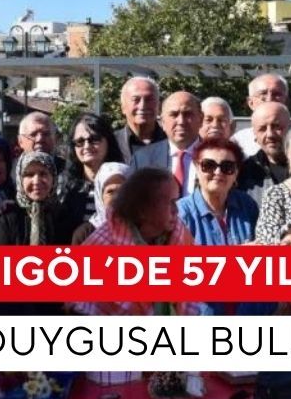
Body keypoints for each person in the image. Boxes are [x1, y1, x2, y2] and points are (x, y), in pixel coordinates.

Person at [71, 168, 203, 316]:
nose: (176, 210)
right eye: (170, 203)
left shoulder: (180, 236)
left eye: (176, 201)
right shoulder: (102, 246)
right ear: (142, 209)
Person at [177, 137, 258, 246]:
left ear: (236, 173)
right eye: (208, 165)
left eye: (227, 167)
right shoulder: (181, 213)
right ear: (197, 169)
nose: (218, 172)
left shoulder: (247, 205)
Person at [0, 151, 75, 247]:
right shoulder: (9, 218)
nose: (36, 181)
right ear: (20, 180)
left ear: (53, 178)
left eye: (43, 174)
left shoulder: (63, 216)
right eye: (29, 175)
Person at [134, 91, 203, 197]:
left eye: (187, 114)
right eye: (174, 115)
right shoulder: (142, 159)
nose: (181, 121)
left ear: (201, 119)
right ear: (163, 122)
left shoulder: (217, 157)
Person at [62, 112, 125, 229]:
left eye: (94, 139)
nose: (87, 146)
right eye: (80, 141)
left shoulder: (125, 181)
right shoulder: (64, 188)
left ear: (108, 142)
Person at [236, 101, 291, 204]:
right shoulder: (243, 173)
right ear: (255, 135)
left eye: (276, 126)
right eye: (262, 129)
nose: (270, 134)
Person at [71, 162, 132, 245]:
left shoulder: (143, 229)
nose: (117, 197)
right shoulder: (85, 233)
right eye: (110, 191)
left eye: (123, 190)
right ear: (100, 196)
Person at [231, 73, 289, 156]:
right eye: (263, 94)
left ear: (286, 101)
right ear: (251, 103)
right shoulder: (239, 141)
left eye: (276, 94)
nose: (269, 99)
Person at [114, 76, 164, 163]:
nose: (142, 106)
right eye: (135, 100)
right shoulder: (111, 143)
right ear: (123, 107)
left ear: (159, 106)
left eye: (149, 99)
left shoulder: (173, 142)